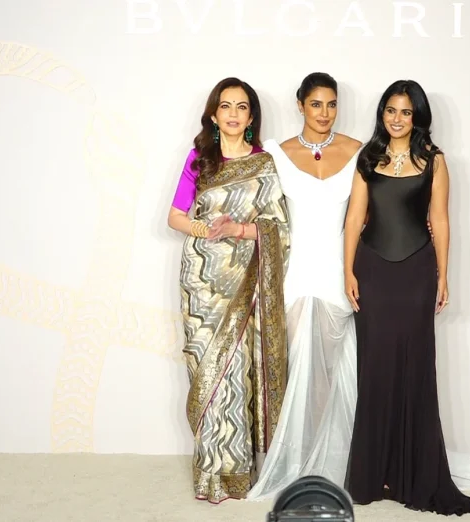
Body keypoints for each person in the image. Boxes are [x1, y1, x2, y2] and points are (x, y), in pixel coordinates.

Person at [342, 79, 470, 515]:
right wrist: (347, 270)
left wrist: (443, 275)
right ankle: (375, 474)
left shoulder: (434, 161)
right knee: (375, 370)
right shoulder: (367, 158)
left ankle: (414, 474)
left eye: (406, 112)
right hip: (372, 271)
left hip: (416, 274)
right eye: (390, 110)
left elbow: (440, 220)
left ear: (417, 117)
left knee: (416, 369)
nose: (397, 119)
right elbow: (354, 217)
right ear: (382, 114)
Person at [167, 77, 290, 504]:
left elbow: (280, 227)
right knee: (207, 368)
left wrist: (237, 230)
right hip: (201, 281)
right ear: (214, 115)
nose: (234, 114)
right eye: (226, 106)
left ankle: (237, 471)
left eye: (242, 107)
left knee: (236, 371)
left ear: (251, 116)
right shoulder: (200, 158)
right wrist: (209, 231)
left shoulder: (264, 164)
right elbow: (175, 216)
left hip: (245, 278)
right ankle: (210, 473)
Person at [245, 72, 362, 500]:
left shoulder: (357, 151)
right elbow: (257, 207)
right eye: (316, 104)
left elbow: (368, 213)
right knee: (295, 370)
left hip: (337, 274)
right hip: (294, 274)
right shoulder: (276, 153)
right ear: (300, 105)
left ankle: (331, 461)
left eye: (331, 104)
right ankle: (296, 462)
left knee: (328, 374)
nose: (324, 113)